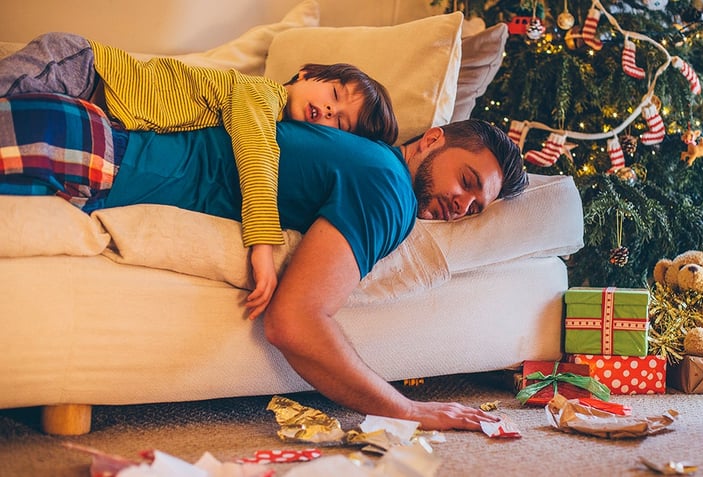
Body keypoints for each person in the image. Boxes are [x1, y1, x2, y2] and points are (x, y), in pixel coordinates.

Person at [0, 92, 527, 431]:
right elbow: (295, 322)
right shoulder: (389, 190)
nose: (462, 204)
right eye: (467, 180)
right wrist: (407, 408)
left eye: (474, 207)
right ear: (432, 140)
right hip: (91, 153)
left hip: (82, 139)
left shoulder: (363, 161)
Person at [0, 32, 398, 313]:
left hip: (98, 101)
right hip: (86, 67)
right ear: (307, 73)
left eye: (341, 123)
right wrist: (263, 243)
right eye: (334, 95)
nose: (329, 112)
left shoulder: (275, 116)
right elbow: (256, 155)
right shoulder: (259, 95)